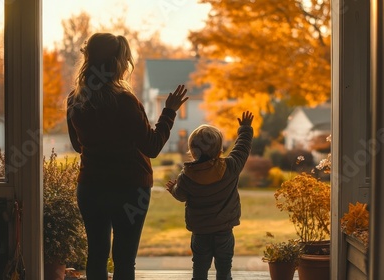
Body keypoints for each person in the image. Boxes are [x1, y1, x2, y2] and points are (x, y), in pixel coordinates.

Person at [66, 32, 188, 280]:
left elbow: (78, 146)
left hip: (91, 188)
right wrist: (169, 112)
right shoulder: (125, 102)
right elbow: (152, 147)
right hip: (130, 190)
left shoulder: (75, 100)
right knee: (124, 260)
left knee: (97, 255)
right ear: (117, 63)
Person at [166, 111, 254, 280]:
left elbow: (181, 196)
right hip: (224, 230)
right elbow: (242, 147)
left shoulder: (186, 176)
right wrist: (245, 128)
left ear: (192, 151)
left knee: (199, 268)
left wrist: (173, 189)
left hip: (200, 232)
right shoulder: (231, 166)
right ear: (219, 150)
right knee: (224, 269)